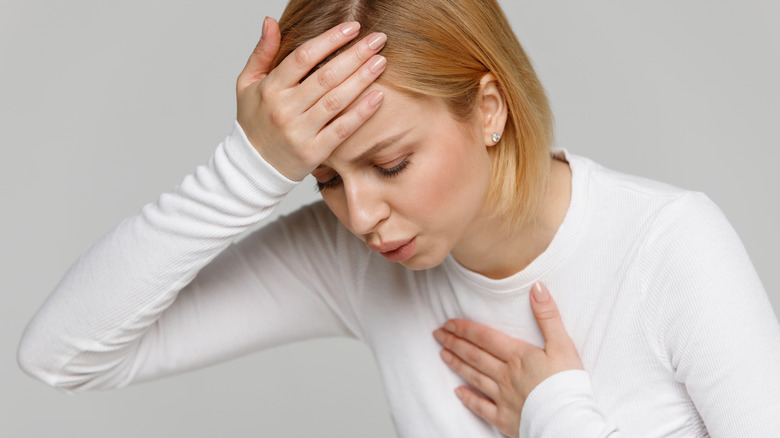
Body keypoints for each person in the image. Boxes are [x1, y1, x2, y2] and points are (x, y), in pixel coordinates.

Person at [17, 0, 780, 436]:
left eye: (389, 165)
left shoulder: (670, 245)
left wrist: (556, 416)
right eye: (322, 180)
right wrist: (250, 167)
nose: (361, 216)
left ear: (488, 108)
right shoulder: (356, 259)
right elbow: (63, 355)